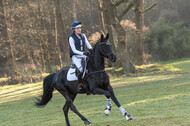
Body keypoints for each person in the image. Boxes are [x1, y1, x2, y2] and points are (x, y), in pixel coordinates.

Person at [68, 21, 93, 92]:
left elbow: (88, 45)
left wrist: (91, 50)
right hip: (75, 57)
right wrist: (83, 53)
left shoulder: (83, 36)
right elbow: (74, 50)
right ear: (73, 29)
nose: (79, 29)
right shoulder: (71, 38)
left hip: (83, 55)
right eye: (77, 28)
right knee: (81, 69)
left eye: (80, 28)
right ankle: (80, 85)